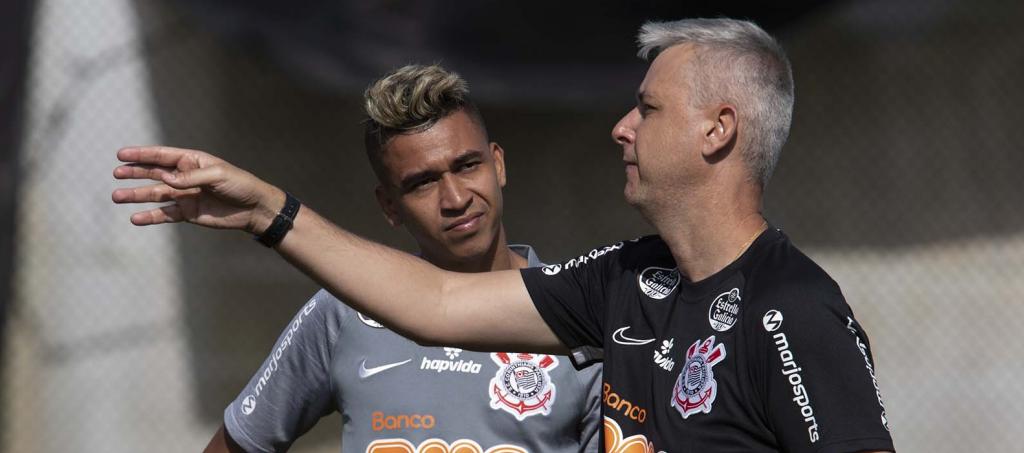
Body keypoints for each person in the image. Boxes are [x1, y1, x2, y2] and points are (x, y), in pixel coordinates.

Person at [114, 19, 894, 453]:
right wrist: (267, 213)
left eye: (648, 110)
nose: (621, 127)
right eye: (421, 182)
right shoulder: (625, 282)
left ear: (717, 131)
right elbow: (440, 304)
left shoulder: (790, 310)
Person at [197, 65, 603, 453]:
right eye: (422, 183)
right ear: (389, 206)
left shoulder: (575, 318)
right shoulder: (346, 310)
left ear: (497, 164)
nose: (456, 199)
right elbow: (241, 442)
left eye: (466, 166)